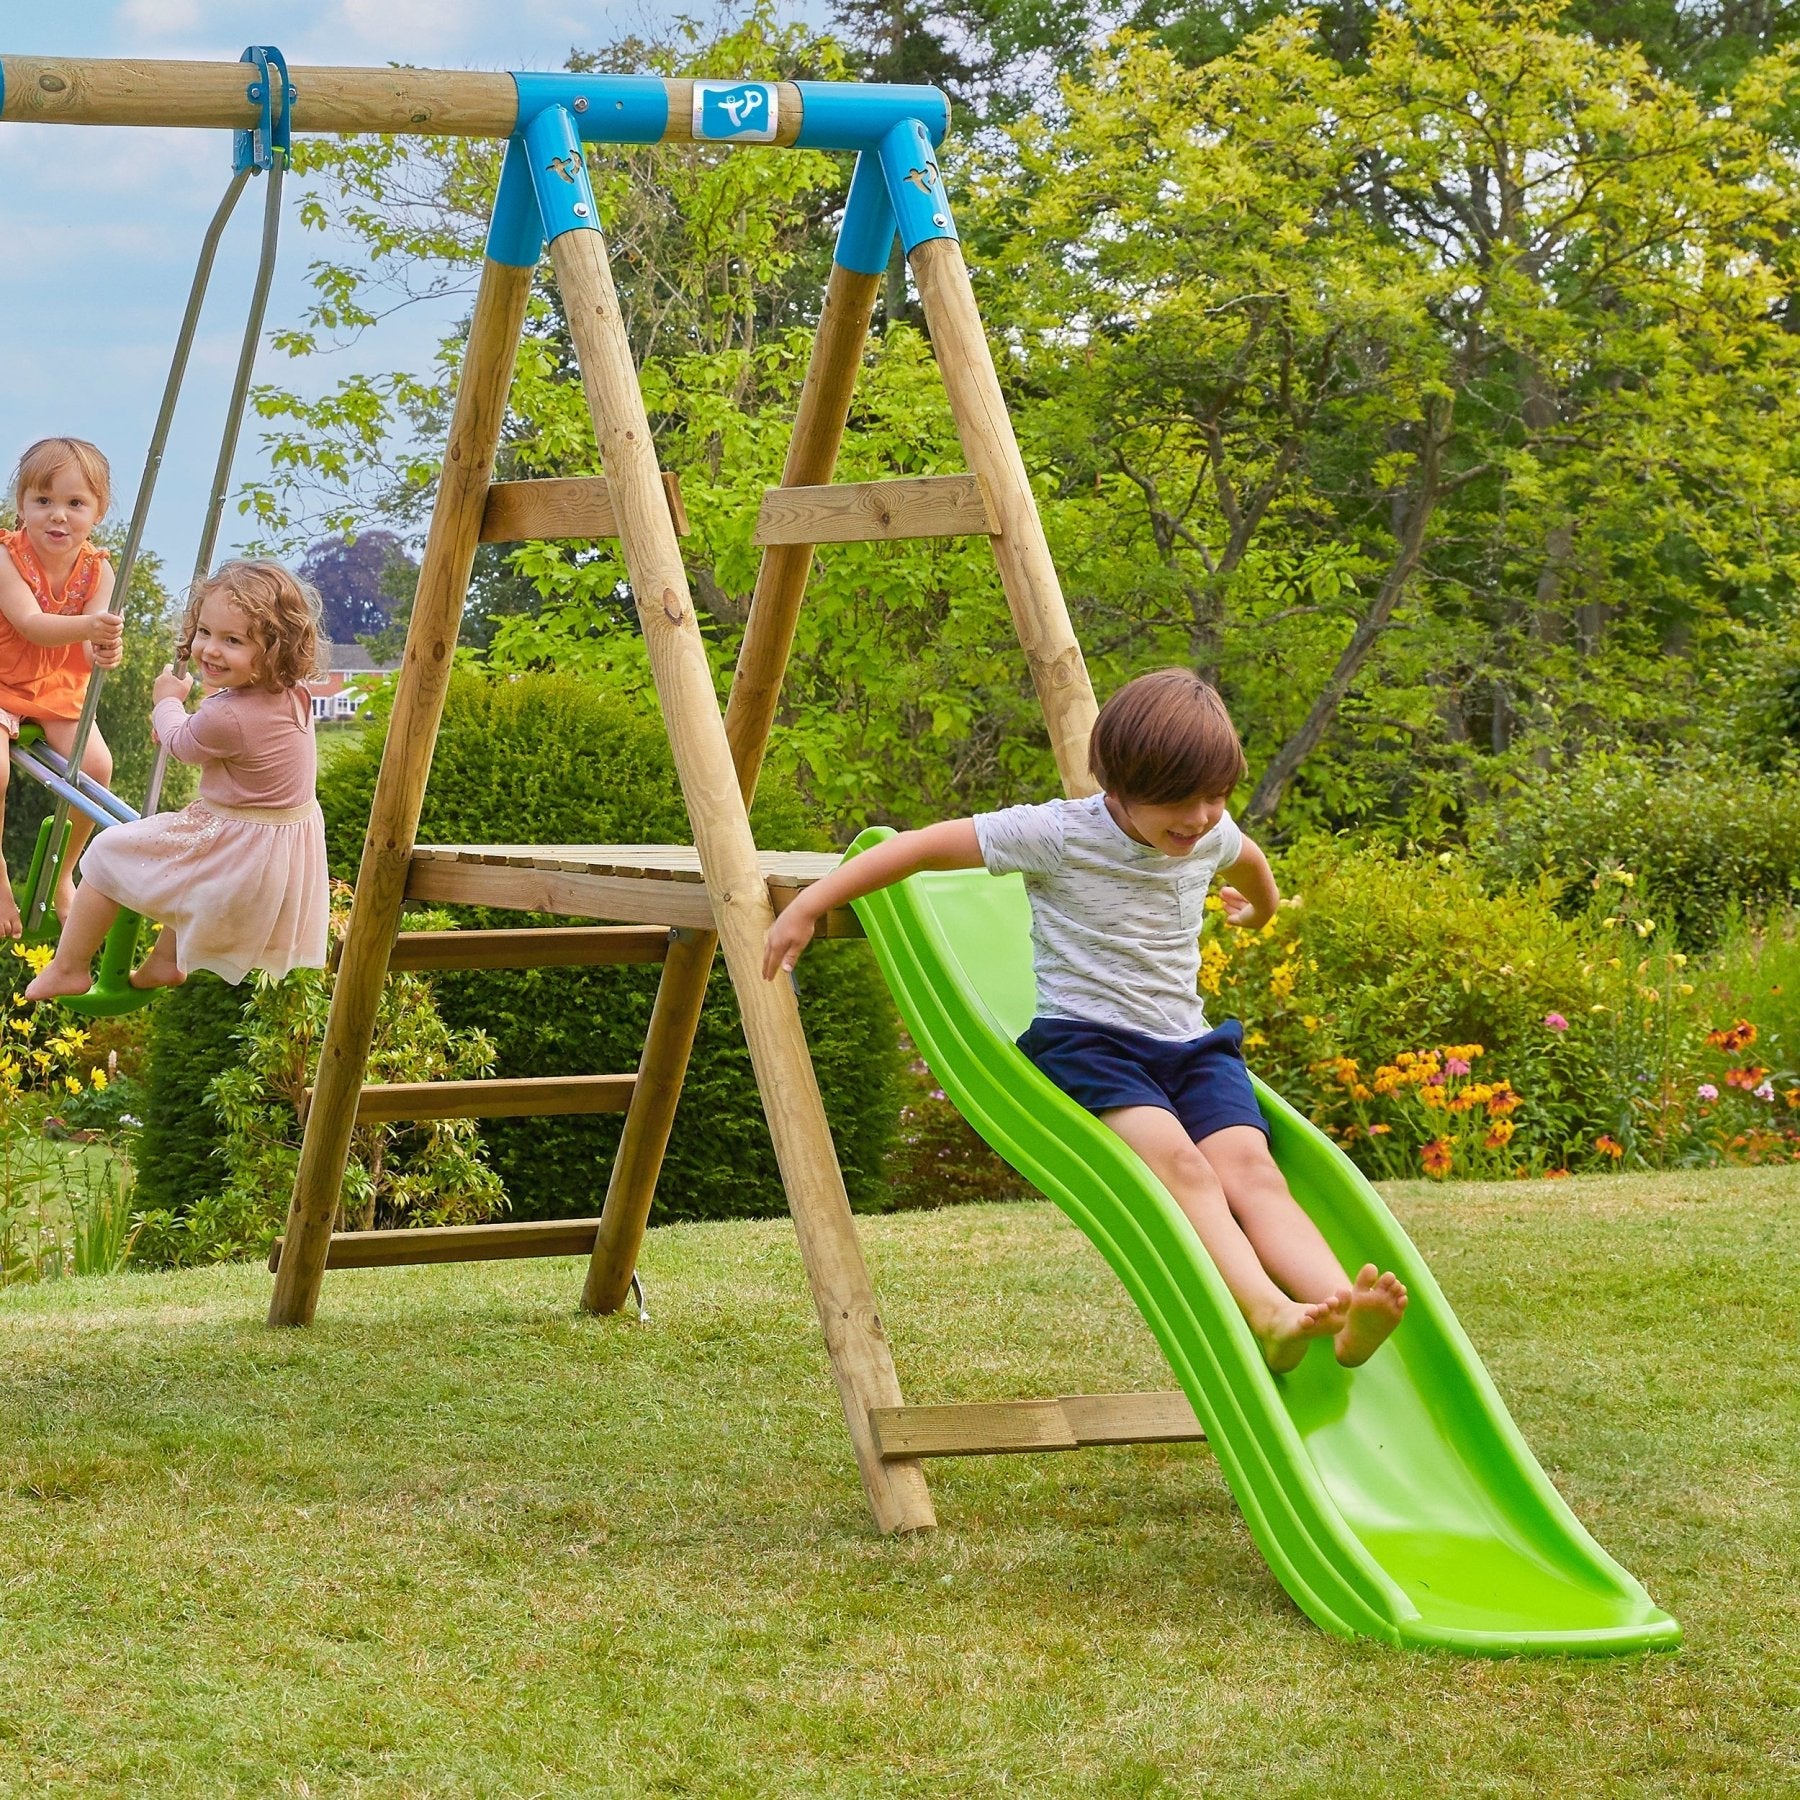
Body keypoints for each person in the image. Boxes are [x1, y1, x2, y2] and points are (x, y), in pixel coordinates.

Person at [764, 667, 1408, 1373]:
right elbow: (919, 847)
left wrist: (1263, 908)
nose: (1198, 818)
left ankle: (1341, 1307)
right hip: (1092, 1046)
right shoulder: (1056, 834)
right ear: (1118, 789)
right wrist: (808, 905)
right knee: (1186, 1169)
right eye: (1178, 802)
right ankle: (1268, 1310)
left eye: (1216, 797)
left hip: (1191, 1045)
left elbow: (1248, 859)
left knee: (1254, 1169)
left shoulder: (1210, 832)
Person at [26, 560, 329, 1000]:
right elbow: (216, 737)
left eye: (233, 640)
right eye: (204, 632)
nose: (210, 649)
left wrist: (166, 704)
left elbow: (186, 744)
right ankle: (166, 961)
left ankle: (69, 967)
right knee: (188, 866)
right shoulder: (292, 692)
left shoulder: (227, 716)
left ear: (274, 650)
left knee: (110, 852)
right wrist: (186, 725)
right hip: (275, 848)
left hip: (237, 843)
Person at [0, 438, 126, 934]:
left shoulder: (99, 569)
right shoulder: (6, 559)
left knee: (96, 768)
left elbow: (94, 645)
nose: (58, 516)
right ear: (22, 506)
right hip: (1, 678)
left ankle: (62, 870)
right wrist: (90, 631)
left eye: (75, 503)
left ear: (98, 511)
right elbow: (31, 623)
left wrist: (106, 651)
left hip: (54, 687)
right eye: (43, 501)